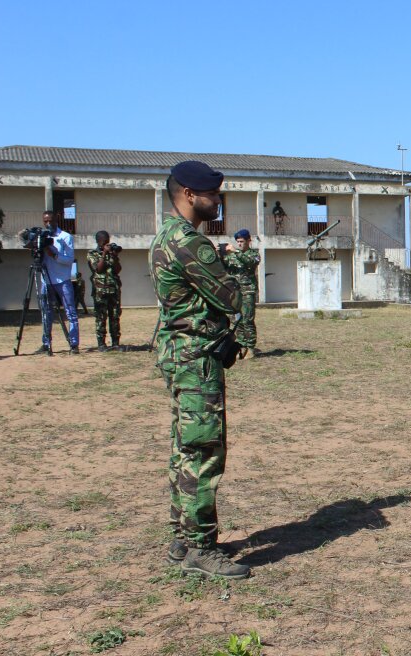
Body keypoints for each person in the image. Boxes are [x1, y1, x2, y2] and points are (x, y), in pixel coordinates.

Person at [151, 160, 247, 580]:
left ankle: (181, 535)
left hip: (179, 351)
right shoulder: (192, 242)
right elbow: (230, 297)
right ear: (189, 194)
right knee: (204, 451)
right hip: (196, 358)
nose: (218, 202)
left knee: (184, 446)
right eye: (212, 195)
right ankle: (199, 548)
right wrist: (238, 278)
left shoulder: (164, 236)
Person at [37, 210, 80, 355]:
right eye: (45, 221)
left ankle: (74, 344)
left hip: (63, 280)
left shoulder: (65, 237)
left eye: (51, 221)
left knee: (71, 313)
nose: (48, 224)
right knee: (46, 314)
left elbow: (69, 260)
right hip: (46, 281)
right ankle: (46, 343)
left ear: (57, 220)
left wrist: (54, 254)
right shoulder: (42, 238)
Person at [222, 229, 261, 358]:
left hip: (247, 291)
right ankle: (241, 345)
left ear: (249, 240)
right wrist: (220, 255)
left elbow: (250, 262)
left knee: (248, 319)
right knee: (236, 320)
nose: (239, 244)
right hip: (235, 292)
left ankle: (250, 347)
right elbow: (224, 267)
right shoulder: (232, 255)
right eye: (238, 242)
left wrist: (235, 251)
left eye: (242, 241)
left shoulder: (253, 254)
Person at [87, 231, 123, 351]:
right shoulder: (92, 254)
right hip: (100, 291)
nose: (107, 243)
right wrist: (104, 254)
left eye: (108, 241)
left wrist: (114, 256)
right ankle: (101, 344)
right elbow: (98, 269)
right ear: (98, 241)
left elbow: (118, 270)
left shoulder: (111, 254)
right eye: (104, 241)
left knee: (115, 317)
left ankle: (115, 343)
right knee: (101, 317)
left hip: (114, 290)